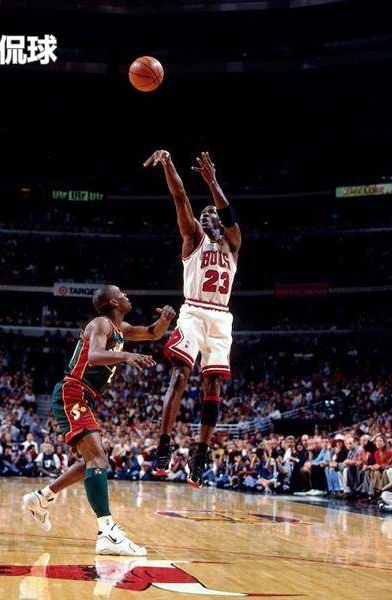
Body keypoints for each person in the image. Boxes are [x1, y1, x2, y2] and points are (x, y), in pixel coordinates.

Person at [23, 284, 175, 556]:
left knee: (91, 462)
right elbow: (93, 357)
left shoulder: (121, 328)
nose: (127, 296)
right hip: (73, 392)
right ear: (114, 303)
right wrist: (126, 356)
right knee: (98, 460)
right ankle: (107, 532)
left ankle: (42, 498)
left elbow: (153, 333)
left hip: (84, 396)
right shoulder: (100, 324)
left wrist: (165, 319)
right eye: (122, 294)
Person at [144, 149, 241, 487]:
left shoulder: (233, 243)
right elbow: (180, 196)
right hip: (194, 311)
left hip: (221, 318)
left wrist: (213, 182)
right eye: (204, 215)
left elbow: (229, 215)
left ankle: (200, 453)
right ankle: (164, 445)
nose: (208, 217)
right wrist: (168, 163)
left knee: (213, 384)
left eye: (212, 214)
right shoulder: (193, 238)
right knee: (181, 375)